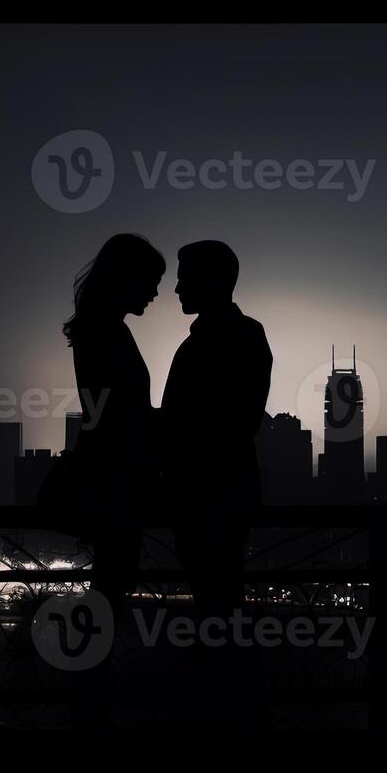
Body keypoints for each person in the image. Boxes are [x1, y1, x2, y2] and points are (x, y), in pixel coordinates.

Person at [160, 240, 273, 615]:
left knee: (218, 603)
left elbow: (232, 421)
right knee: (220, 602)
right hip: (219, 492)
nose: (176, 289)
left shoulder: (226, 339)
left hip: (209, 495)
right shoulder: (238, 336)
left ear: (211, 281)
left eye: (184, 279)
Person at [57, 233, 166, 605]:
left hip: (113, 475)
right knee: (111, 587)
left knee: (110, 587)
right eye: (150, 282)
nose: (154, 293)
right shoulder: (107, 332)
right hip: (117, 479)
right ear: (127, 278)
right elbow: (118, 413)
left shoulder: (100, 329)